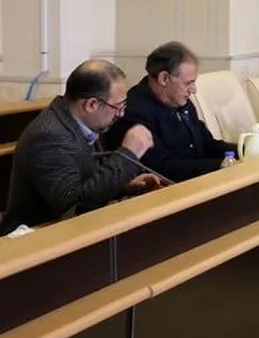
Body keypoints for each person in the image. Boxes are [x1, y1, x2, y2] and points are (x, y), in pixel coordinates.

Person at [1, 60, 166, 234]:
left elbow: (89, 180)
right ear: (91, 104)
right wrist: (129, 154)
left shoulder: (79, 121)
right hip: (37, 239)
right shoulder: (48, 137)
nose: (121, 113)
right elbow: (74, 206)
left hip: (72, 231)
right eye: (118, 106)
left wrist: (123, 185)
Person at [105, 42, 236, 182]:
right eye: (188, 83)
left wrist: (243, 151)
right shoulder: (134, 111)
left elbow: (208, 145)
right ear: (164, 79)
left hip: (199, 181)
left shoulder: (181, 101)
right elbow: (162, 168)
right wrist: (221, 165)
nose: (194, 90)